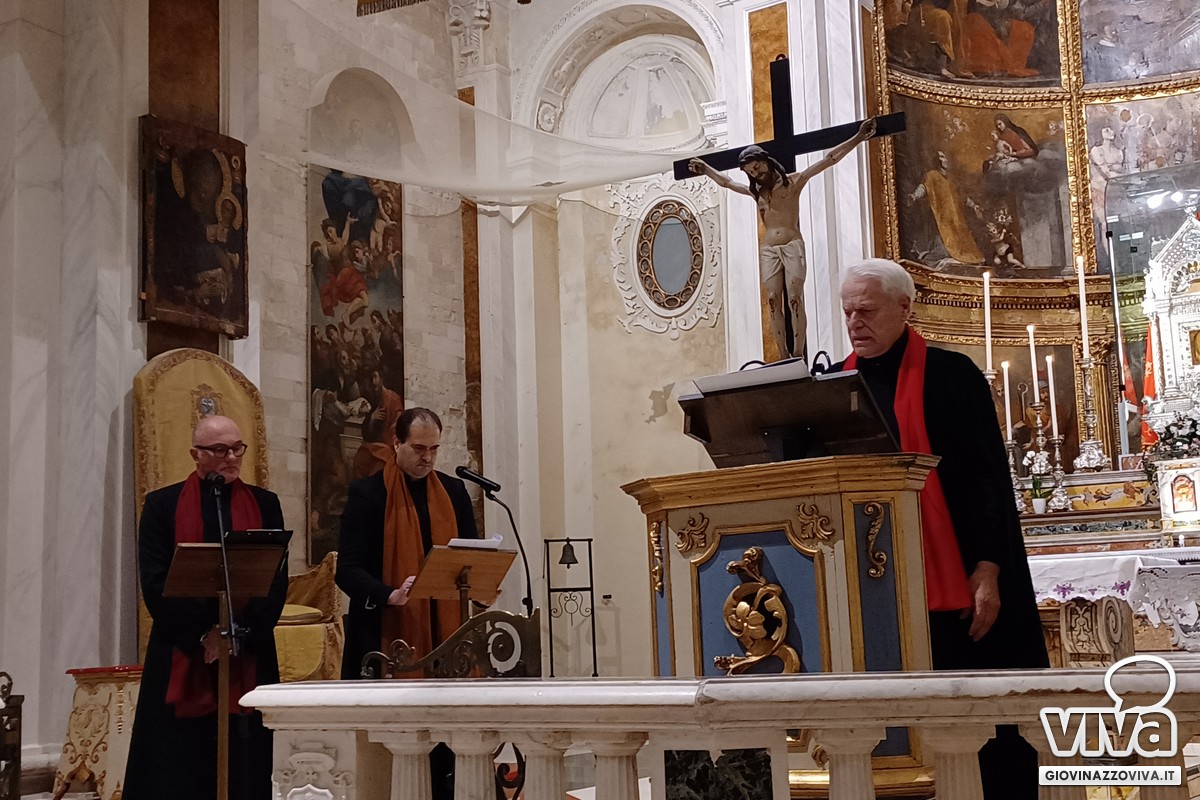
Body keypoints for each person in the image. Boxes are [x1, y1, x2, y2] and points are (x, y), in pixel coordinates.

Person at [835, 259, 1047, 800]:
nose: (855, 322)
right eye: (848, 311)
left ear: (904, 308)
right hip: (872, 587)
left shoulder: (952, 375)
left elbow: (986, 479)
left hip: (956, 577)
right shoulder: (836, 385)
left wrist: (988, 569)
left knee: (983, 715)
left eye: (866, 310)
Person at [124, 415, 288, 800]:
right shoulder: (162, 506)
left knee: (247, 760)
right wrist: (206, 634)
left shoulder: (266, 504)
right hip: (182, 650)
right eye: (219, 450)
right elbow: (156, 583)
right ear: (195, 454)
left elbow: (275, 580)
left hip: (248, 649)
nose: (231, 457)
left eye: (237, 448)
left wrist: (239, 633)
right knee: (178, 763)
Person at [688, 118, 876, 361]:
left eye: (757, 167)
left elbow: (829, 159)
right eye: (751, 172)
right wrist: (706, 170)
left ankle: (798, 354)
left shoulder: (794, 182)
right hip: (769, 249)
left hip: (792, 245)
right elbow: (727, 183)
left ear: (766, 161)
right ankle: (783, 356)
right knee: (772, 300)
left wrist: (858, 137)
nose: (756, 174)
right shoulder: (756, 193)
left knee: (795, 298)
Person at [336, 407, 479, 679]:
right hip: (382, 632)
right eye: (419, 448)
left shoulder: (454, 492)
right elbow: (347, 570)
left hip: (445, 635)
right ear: (397, 443)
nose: (427, 458)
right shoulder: (368, 494)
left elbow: (469, 559)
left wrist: (482, 591)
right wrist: (390, 594)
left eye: (434, 449)